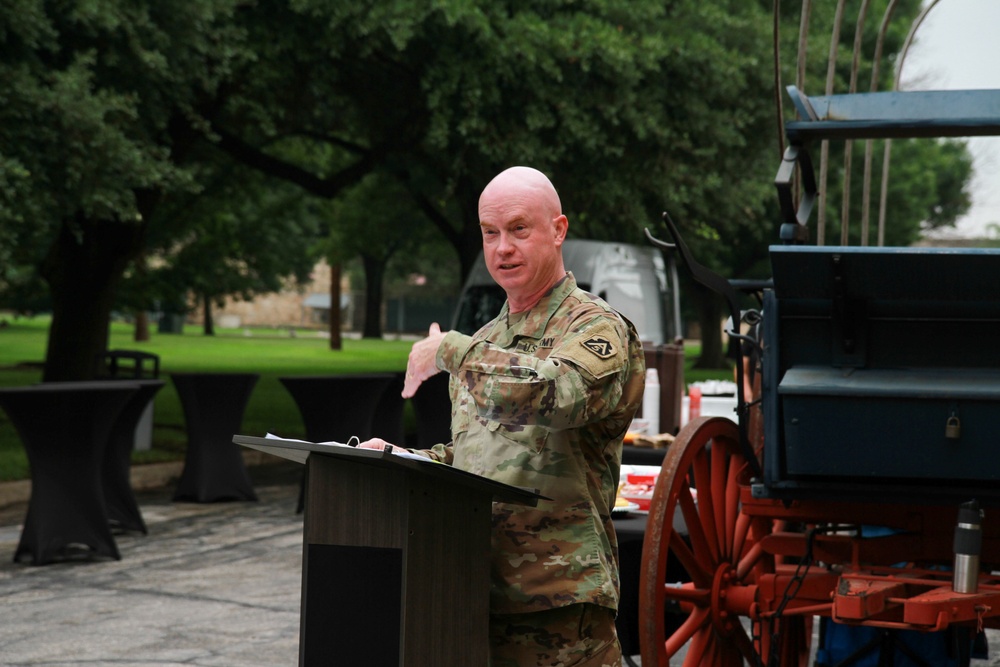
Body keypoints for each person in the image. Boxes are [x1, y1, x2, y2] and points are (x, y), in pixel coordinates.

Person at [359, 166, 645, 667]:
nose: (502, 248)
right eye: (490, 234)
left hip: (557, 603)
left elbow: (560, 393)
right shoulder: (487, 340)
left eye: (518, 229)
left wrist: (450, 350)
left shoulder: (597, 326)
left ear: (558, 230)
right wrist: (406, 459)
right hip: (468, 594)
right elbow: (479, 455)